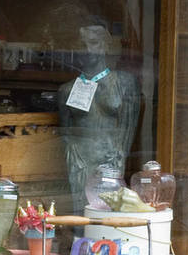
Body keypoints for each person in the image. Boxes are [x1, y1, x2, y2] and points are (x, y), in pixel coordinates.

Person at [57, 22, 140, 210]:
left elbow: (128, 129)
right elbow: (66, 134)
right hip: (80, 162)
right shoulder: (66, 90)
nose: (87, 49)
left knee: (107, 213)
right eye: (81, 44)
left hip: (111, 159)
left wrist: (119, 156)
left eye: (93, 42)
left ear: (105, 45)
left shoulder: (124, 83)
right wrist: (74, 159)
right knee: (82, 214)